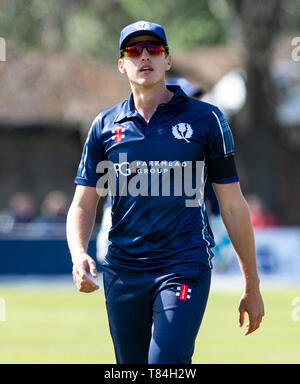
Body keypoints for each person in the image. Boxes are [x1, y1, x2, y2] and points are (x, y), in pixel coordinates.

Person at [67, 20, 264, 364]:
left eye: (154, 49)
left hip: (183, 264)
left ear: (167, 60)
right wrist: (79, 253)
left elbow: (233, 206)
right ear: (122, 64)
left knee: (166, 363)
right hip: (122, 270)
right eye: (134, 50)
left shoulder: (207, 119)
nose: (144, 56)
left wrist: (252, 284)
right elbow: (83, 204)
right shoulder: (104, 125)